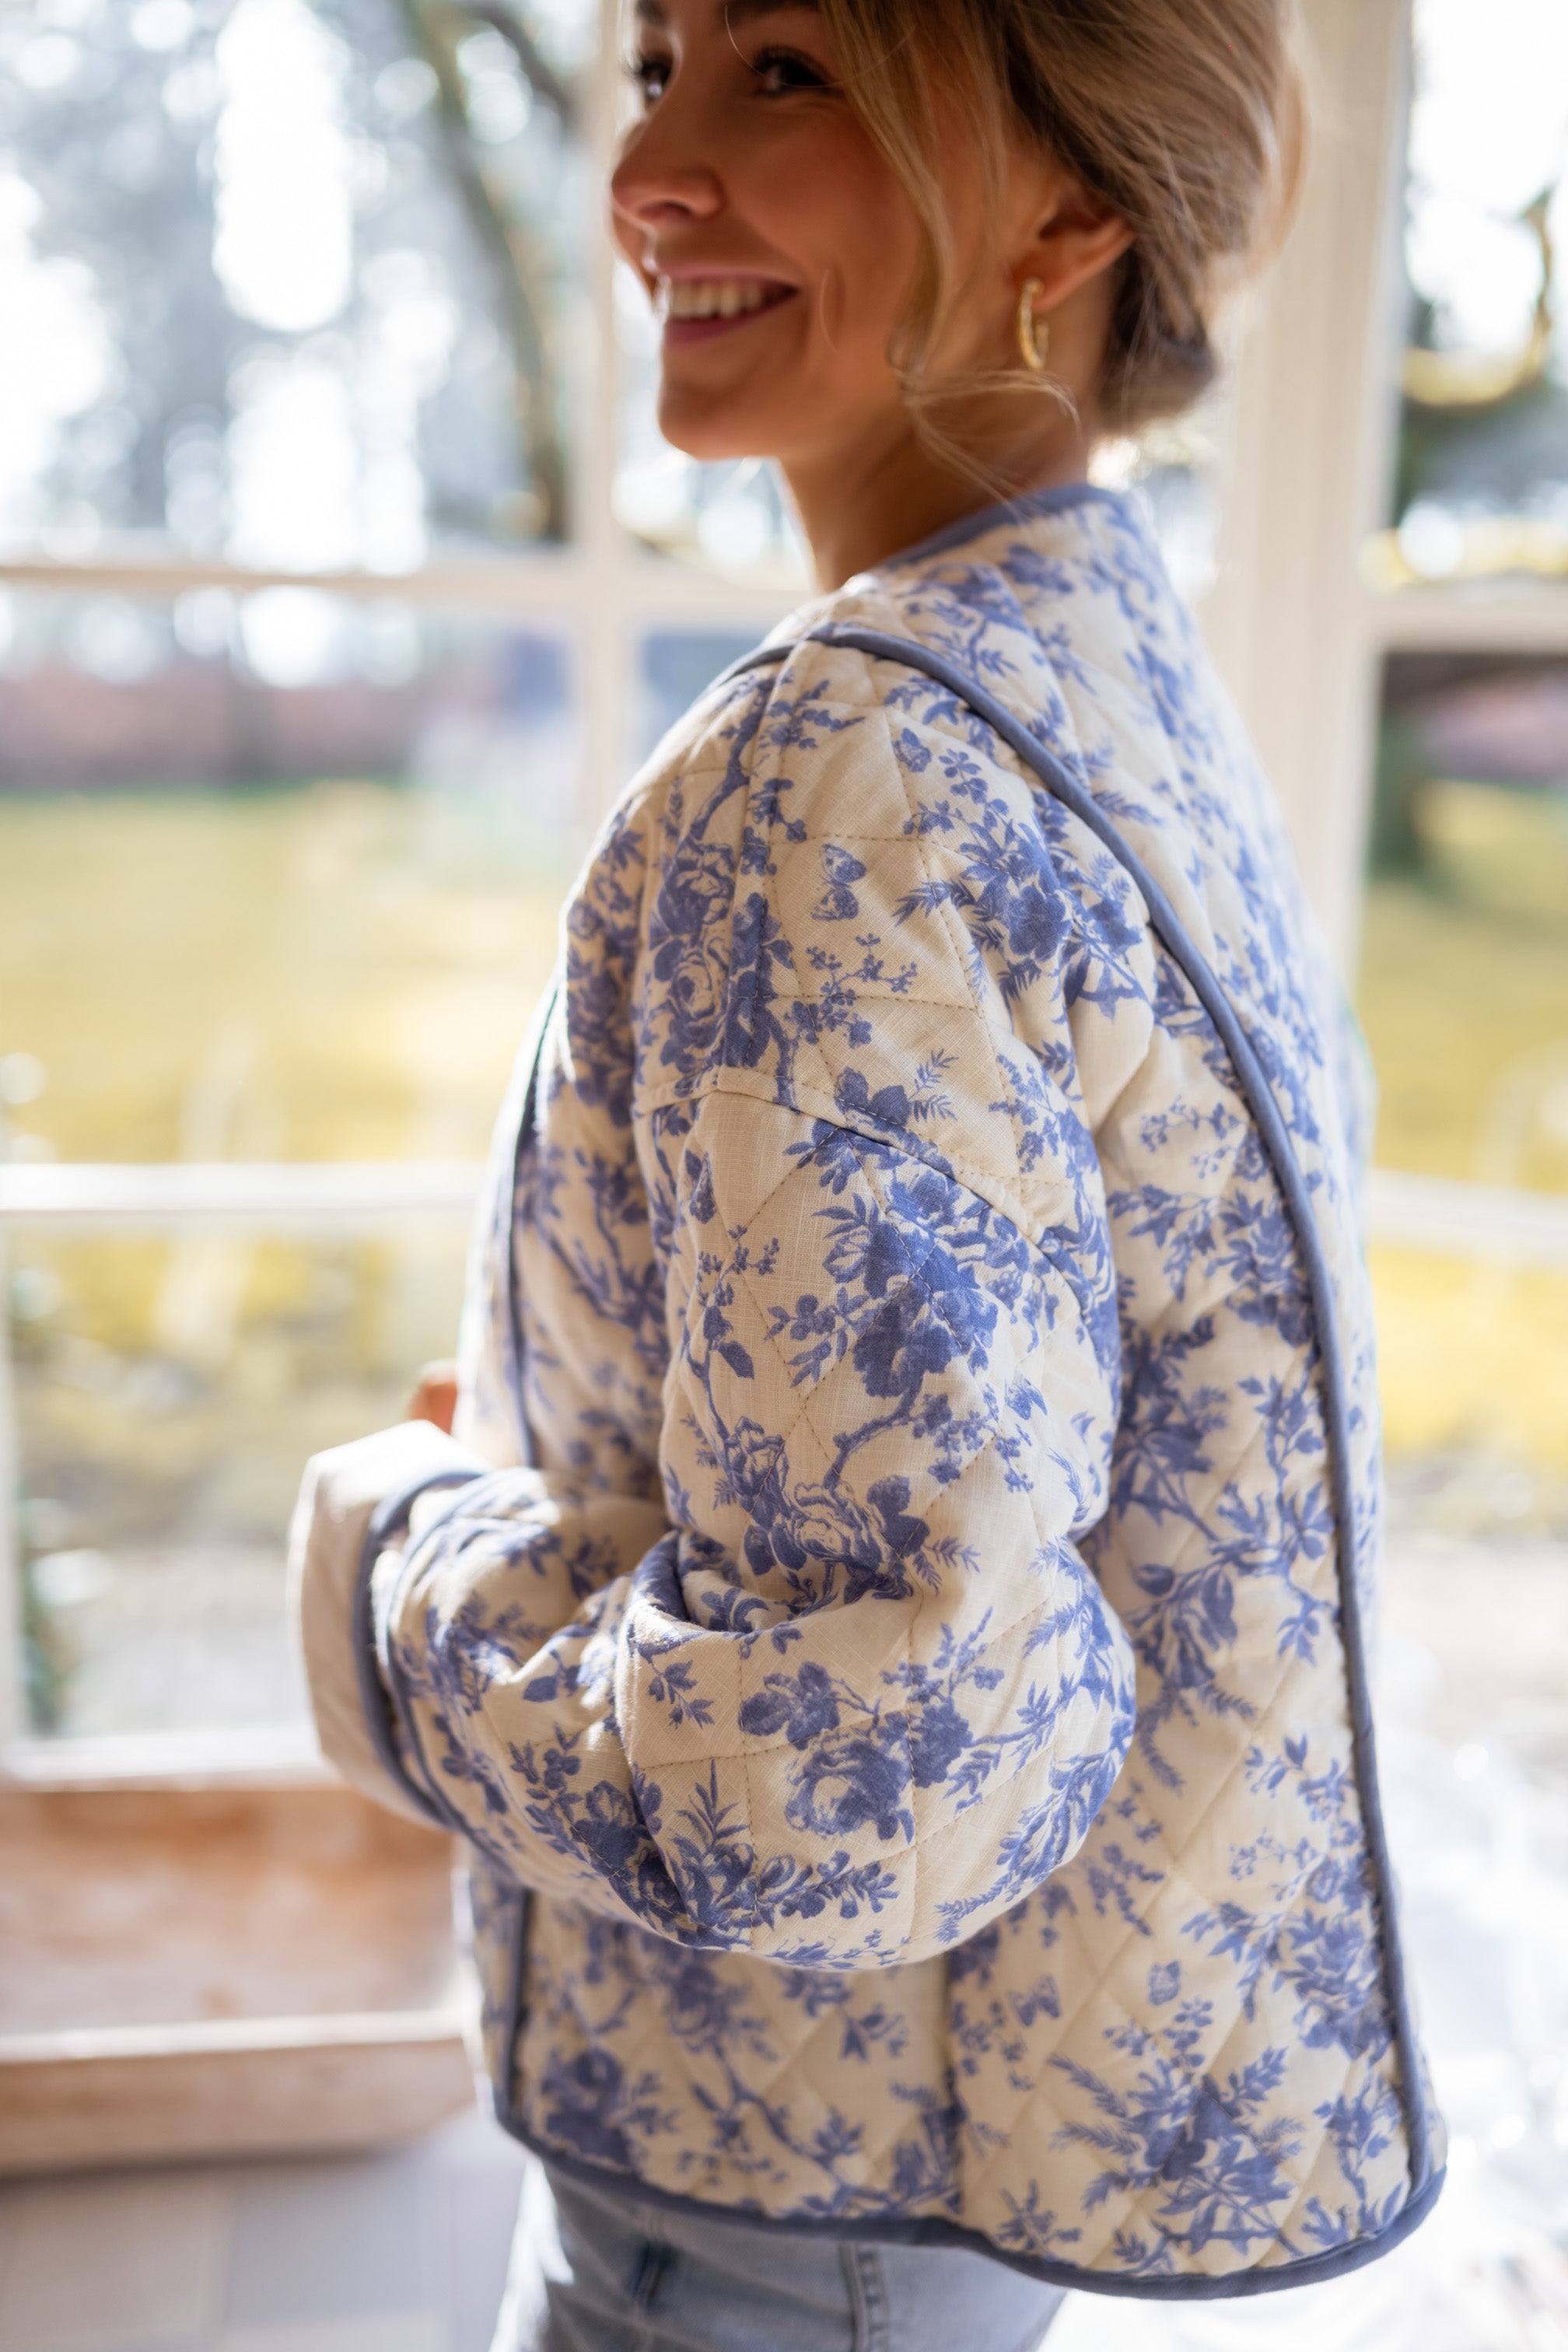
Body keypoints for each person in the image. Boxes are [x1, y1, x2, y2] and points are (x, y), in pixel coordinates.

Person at [290, 1, 1446, 2343]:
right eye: (653, 68)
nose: (651, 174)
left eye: (787, 70)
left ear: (1069, 200)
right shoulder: (1106, 667)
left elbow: (883, 1752)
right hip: (917, 2198)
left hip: (755, 2214)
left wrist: (394, 1579)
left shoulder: (842, 774)